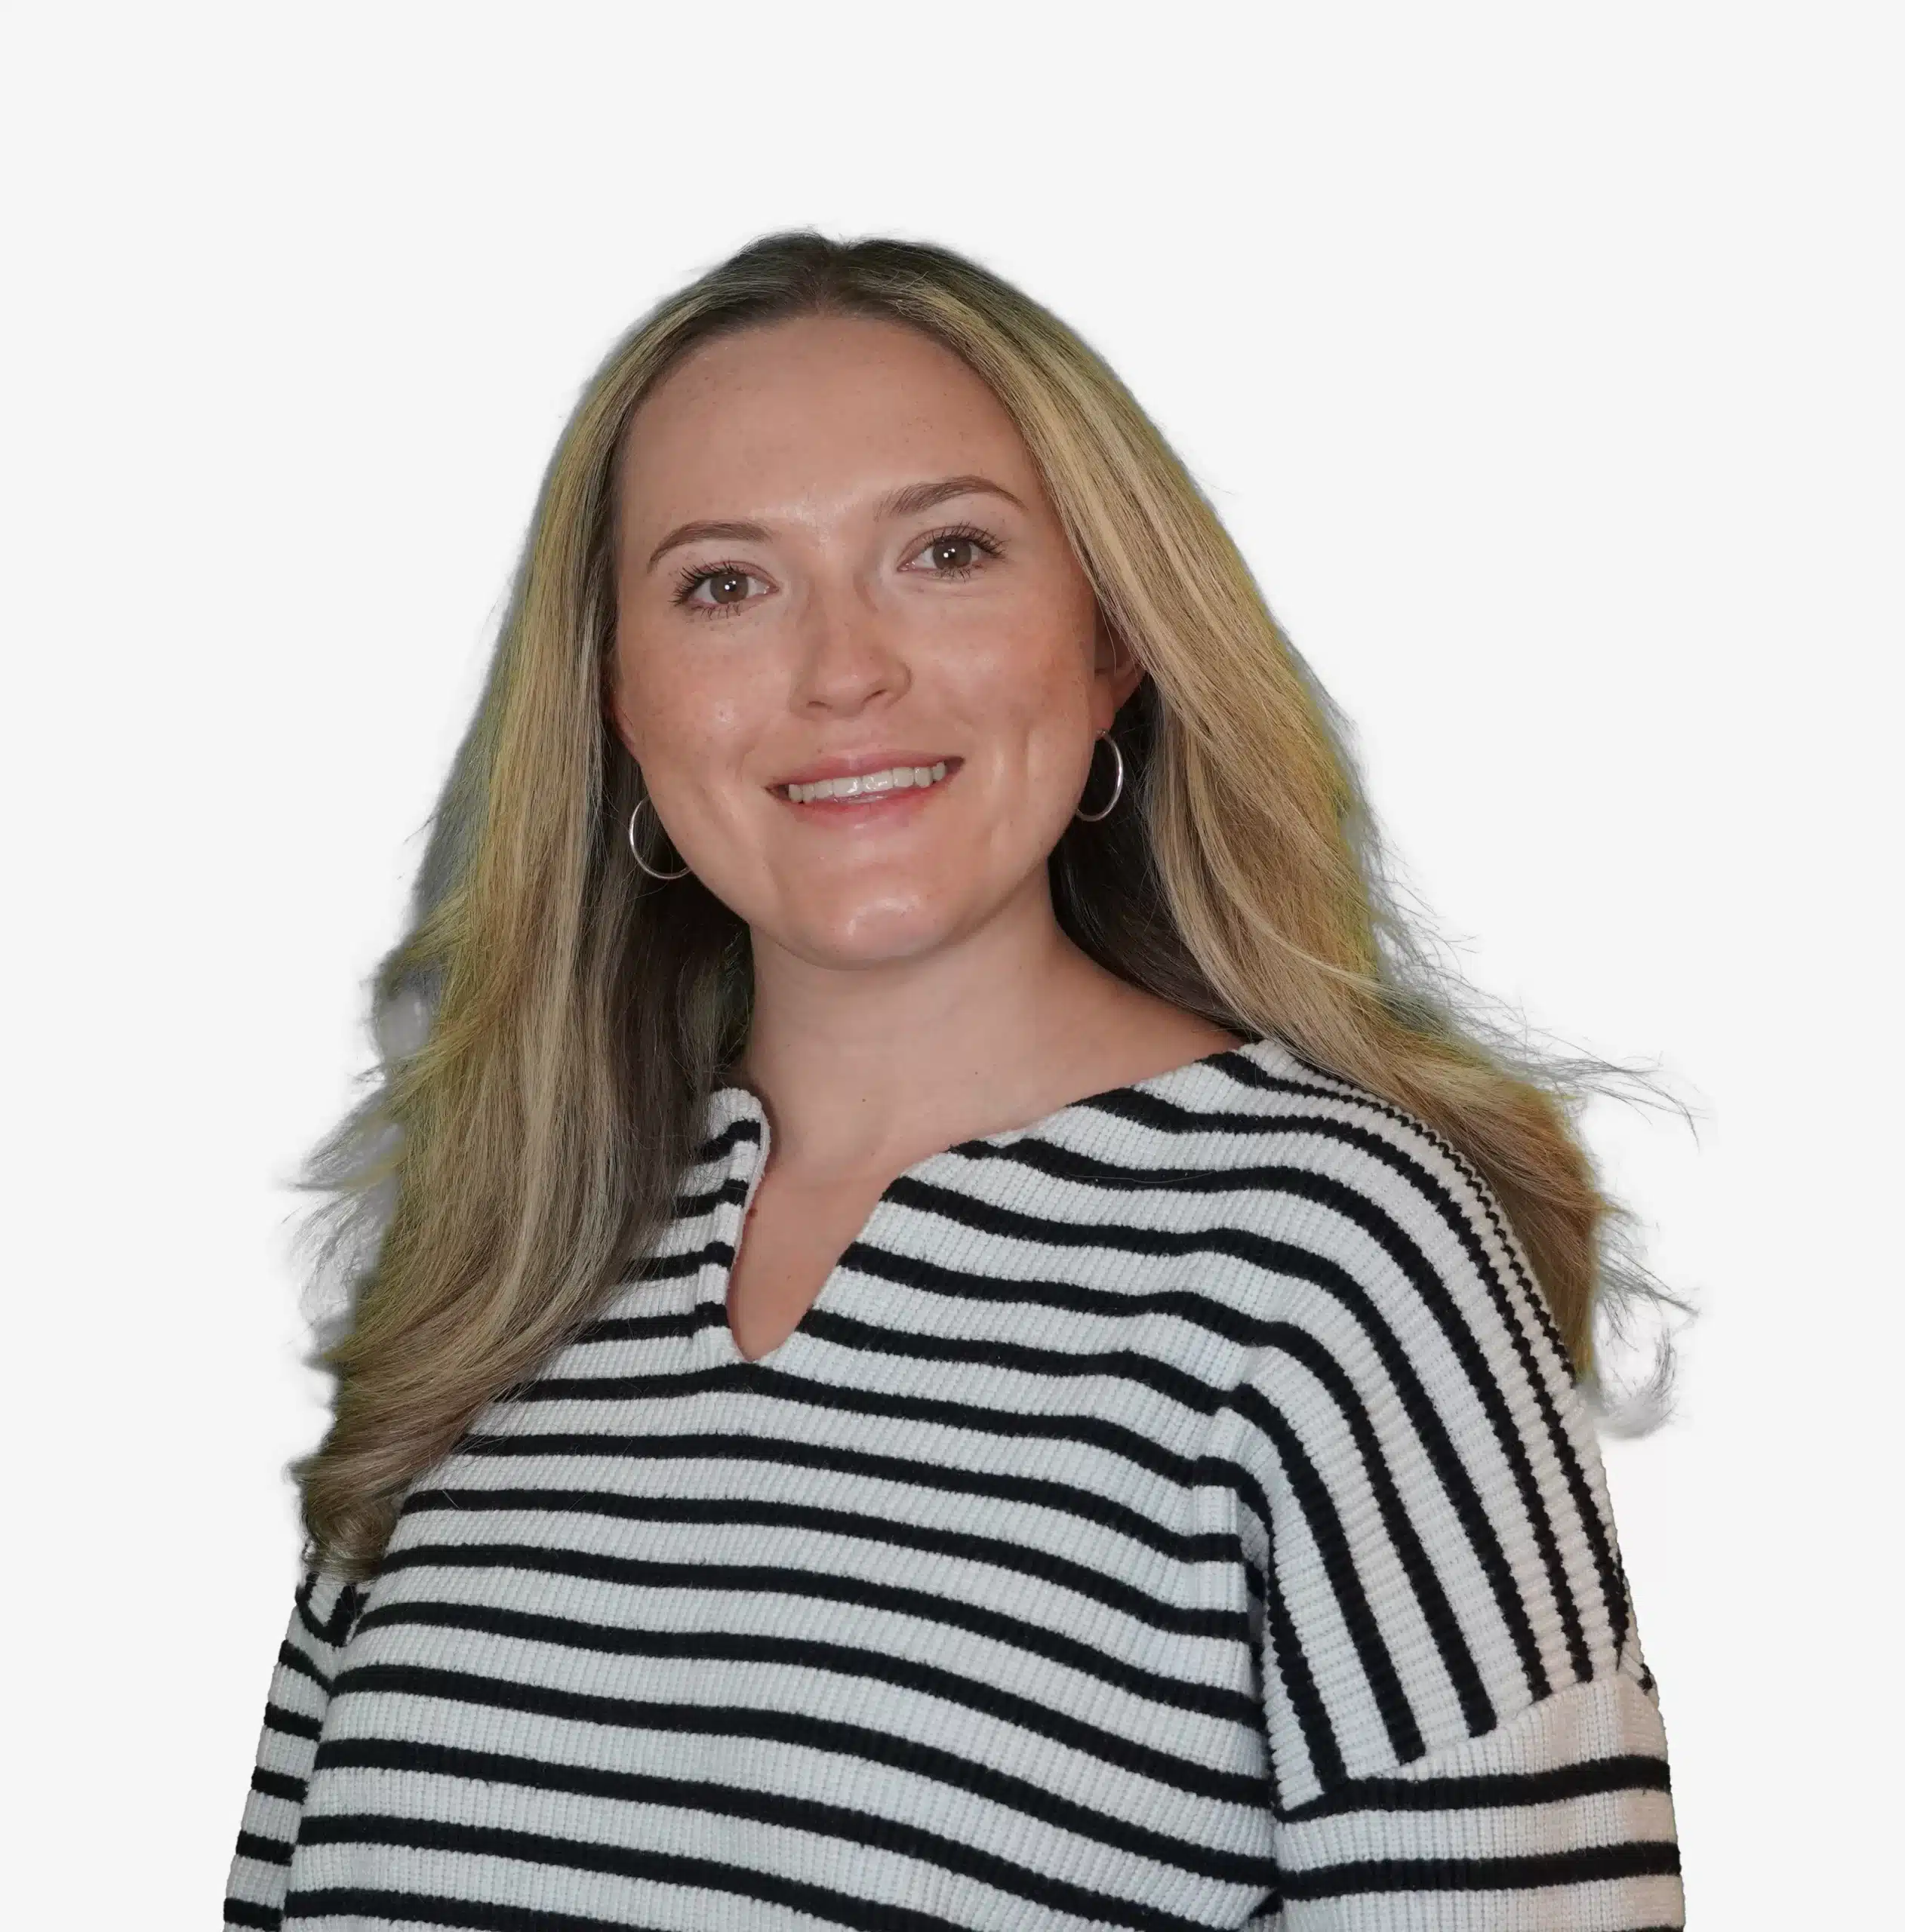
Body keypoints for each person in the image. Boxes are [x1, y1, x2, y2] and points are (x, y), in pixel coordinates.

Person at [223, 232, 1683, 1930]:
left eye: (946, 551)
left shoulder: (1332, 1257)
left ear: (1109, 643)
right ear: (618, 700)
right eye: (723, 583)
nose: (845, 670)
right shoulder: (498, 1274)